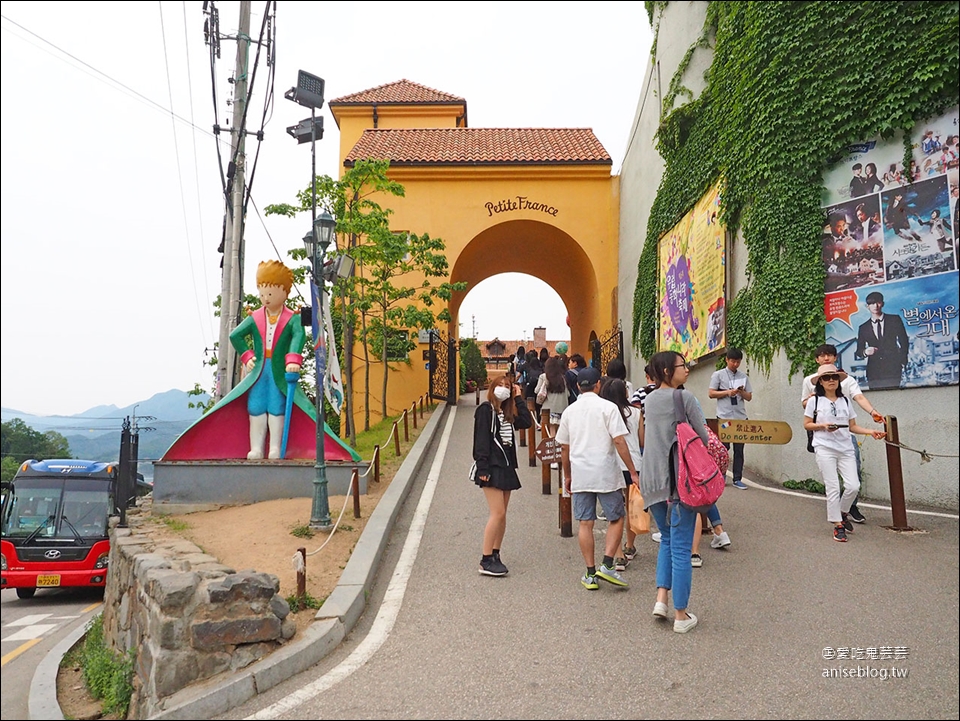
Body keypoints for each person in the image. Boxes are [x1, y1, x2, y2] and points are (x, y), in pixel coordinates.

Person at [557, 367, 639, 590]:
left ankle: (590, 573)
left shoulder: (570, 411)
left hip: (581, 472)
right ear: (598, 385)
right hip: (606, 472)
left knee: (585, 523)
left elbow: (565, 448)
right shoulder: (608, 408)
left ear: (577, 387)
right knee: (616, 517)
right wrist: (632, 470)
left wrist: (568, 476)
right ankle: (608, 564)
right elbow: (620, 442)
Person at [641, 351, 704, 632]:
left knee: (666, 539)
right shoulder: (685, 398)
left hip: (651, 481)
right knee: (681, 547)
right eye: (683, 365)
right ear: (667, 370)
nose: (687, 369)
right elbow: (702, 436)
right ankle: (681, 616)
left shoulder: (649, 400)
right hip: (679, 483)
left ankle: (661, 599)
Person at [801, 343, 884, 523]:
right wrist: (818, 409)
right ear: (817, 360)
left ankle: (848, 508)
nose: (826, 358)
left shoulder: (847, 386)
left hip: (846, 438)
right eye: (822, 355)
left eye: (830, 355)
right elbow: (805, 410)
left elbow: (859, 399)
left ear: (836, 359)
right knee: (832, 486)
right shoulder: (810, 383)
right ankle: (838, 523)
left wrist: (873, 413)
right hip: (823, 440)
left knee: (854, 481)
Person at [472, 373, 533, 576]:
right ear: (492, 387)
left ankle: (496, 553)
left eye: (508, 386)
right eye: (501, 385)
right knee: (497, 513)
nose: (504, 388)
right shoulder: (485, 410)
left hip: (506, 465)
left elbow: (526, 422)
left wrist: (517, 397)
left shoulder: (507, 412)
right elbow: (480, 440)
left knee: (502, 515)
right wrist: (482, 468)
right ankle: (485, 559)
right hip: (491, 466)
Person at [600, 378, 644, 571]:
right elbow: (642, 441)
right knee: (631, 507)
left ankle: (617, 555)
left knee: (614, 512)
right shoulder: (636, 412)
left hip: (613, 464)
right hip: (634, 464)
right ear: (625, 393)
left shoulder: (604, 413)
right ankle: (629, 546)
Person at [708, 347, 753, 489]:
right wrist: (728, 392)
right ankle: (720, 474)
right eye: (733, 361)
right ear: (727, 360)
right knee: (723, 447)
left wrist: (741, 392)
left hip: (740, 417)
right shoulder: (718, 375)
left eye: (738, 362)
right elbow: (711, 393)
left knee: (739, 449)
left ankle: (737, 478)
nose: (735, 364)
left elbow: (749, 397)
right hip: (724, 418)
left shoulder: (743, 377)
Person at [855, 291, 909, 389]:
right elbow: (858, 351)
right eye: (871, 303)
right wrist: (865, 352)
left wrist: (902, 360)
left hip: (893, 367)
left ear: (882, 304)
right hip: (873, 370)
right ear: (867, 306)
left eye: (878, 302)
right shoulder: (863, 327)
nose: (875, 306)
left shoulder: (894, 320)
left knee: (894, 395)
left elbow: (904, 341)